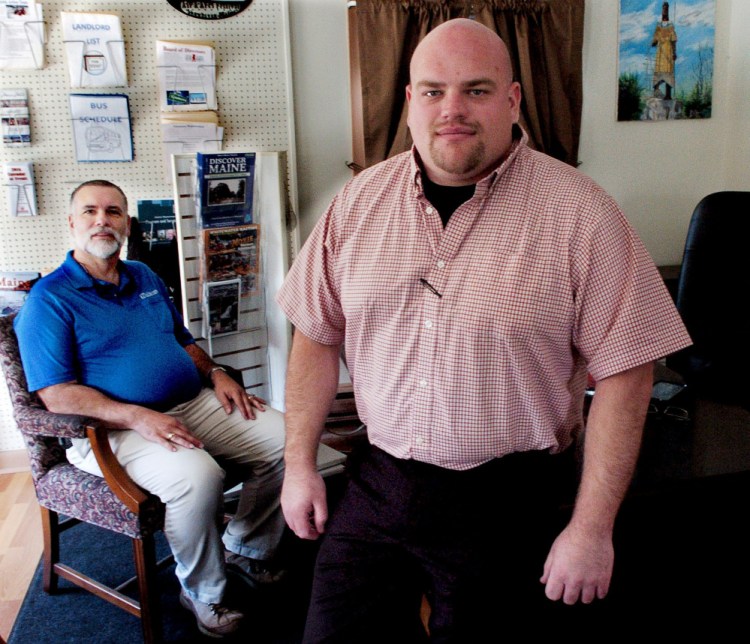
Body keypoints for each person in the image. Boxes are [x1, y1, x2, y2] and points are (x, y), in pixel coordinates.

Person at [276, 18, 692, 642]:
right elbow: (315, 332)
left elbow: (627, 374)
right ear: (411, 100)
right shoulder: (358, 201)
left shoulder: (582, 213)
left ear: (513, 99)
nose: (453, 109)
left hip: (509, 497)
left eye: (476, 89)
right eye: (434, 90)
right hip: (380, 478)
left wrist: (591, 528)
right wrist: (298, 464)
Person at [14, 180, 286, 639]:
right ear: (72, 222)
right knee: (198, 477)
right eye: (90, 211)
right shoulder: (49, 299)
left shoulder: (143, 275)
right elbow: (56, 396)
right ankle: (204, 592)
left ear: (126, 222)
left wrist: (217, 373)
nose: (103, 220)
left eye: (114, 212)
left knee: (285, 440)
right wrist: (138, 416)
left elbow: (182, 341)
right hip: (106, 431)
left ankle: (247, 548)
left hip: (190, 402)